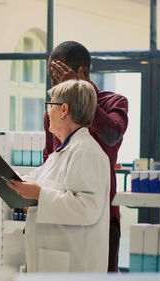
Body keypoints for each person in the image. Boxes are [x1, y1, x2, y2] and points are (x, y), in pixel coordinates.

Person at [7, 80, 110, 272]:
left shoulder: (86, 152)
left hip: (73, 264)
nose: (47, 113)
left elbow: (87, 208)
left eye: (50, 106)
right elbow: (26, 182)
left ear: (63, 109)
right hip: (52, 259)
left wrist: (39, 194)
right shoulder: (61, 152)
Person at [44, 41, 129, 272]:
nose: (56, 87)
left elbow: (112, 135)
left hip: (102, 214)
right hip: (60, 212)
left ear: (82, 73)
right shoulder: (54, 112)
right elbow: (48, 159)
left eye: (61, 78)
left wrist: (80, 94)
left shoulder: (113, 102)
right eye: (52, 80)